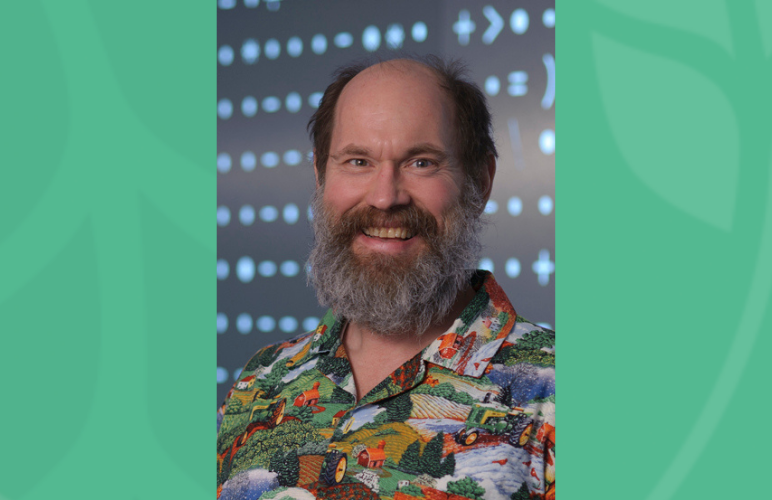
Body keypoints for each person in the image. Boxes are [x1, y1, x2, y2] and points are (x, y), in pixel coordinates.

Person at [216, 56, 555, 500]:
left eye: (421, 162)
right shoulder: (260, 381)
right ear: (320, 174)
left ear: (481, 180)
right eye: (358, 161)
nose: (383, 197)